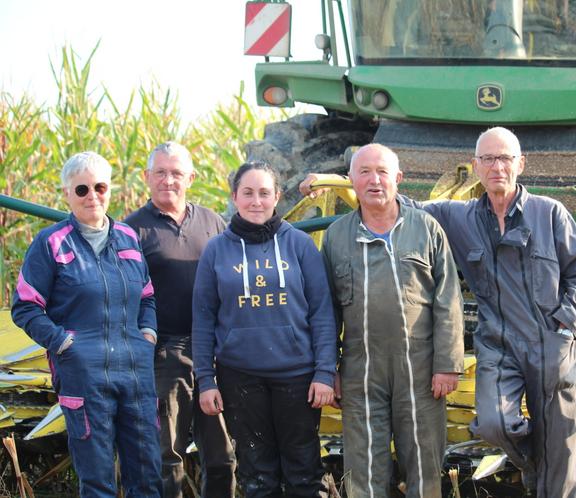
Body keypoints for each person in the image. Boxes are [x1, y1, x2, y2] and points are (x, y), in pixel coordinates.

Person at [301, 128, 576, 498]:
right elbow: (392, 202)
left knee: (563, 448)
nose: (496, 167)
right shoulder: (457, 217)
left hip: (552, 341)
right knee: (494, 425)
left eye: (504, 158)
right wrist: (333, 182)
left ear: (520, 164)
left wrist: (564, 328)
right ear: (475, 166)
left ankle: (549, 469)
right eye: (487, 159)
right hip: (499, 342)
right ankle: (537, 462)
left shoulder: (550, 213)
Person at [11, 151, 161, 497]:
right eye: (81, 189)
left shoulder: (128, 238)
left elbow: (148, 297)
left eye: (100, 186)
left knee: (148, 476)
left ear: (110, 190)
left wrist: (148, 335)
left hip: (136, 373)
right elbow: (26, 306)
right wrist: (64, 344)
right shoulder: (51, 243)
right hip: (84, 374)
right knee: (97, 480)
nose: (92, 195)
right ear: (66, 193)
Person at [321, 143, 465, 498]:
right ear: (352, 180)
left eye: (383, 172)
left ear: (398, 178)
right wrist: (328, 369)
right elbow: (326, 311)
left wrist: (447, 364)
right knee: (364, 465)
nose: (374, 180)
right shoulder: (337, 236)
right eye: (365, 172)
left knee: (424, 462)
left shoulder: (426, 229)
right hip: (361, 368)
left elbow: (448, 299)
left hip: (420, 369)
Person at [192, 160, 337, 497]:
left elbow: (322, 313)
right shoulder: (216, 250)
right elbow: (203, 319)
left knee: (303, 471)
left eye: (264, 193)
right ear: (234, 197)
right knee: (257, 474)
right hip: (240, 377)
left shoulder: (299, 245)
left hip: (298, 377)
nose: (256, 201)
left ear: (277, 197)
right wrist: (205, 380)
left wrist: (325, 372)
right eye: (248, 193)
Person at [124, 142, 236, 498]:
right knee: (165, 457)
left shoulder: (213, 222)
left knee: (221, 458)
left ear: (191, 177)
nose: (168, 180)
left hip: (213, 354)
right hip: (164, 355)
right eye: (160, 172)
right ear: (147, 177)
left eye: (176, 173)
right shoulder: (131, 231)